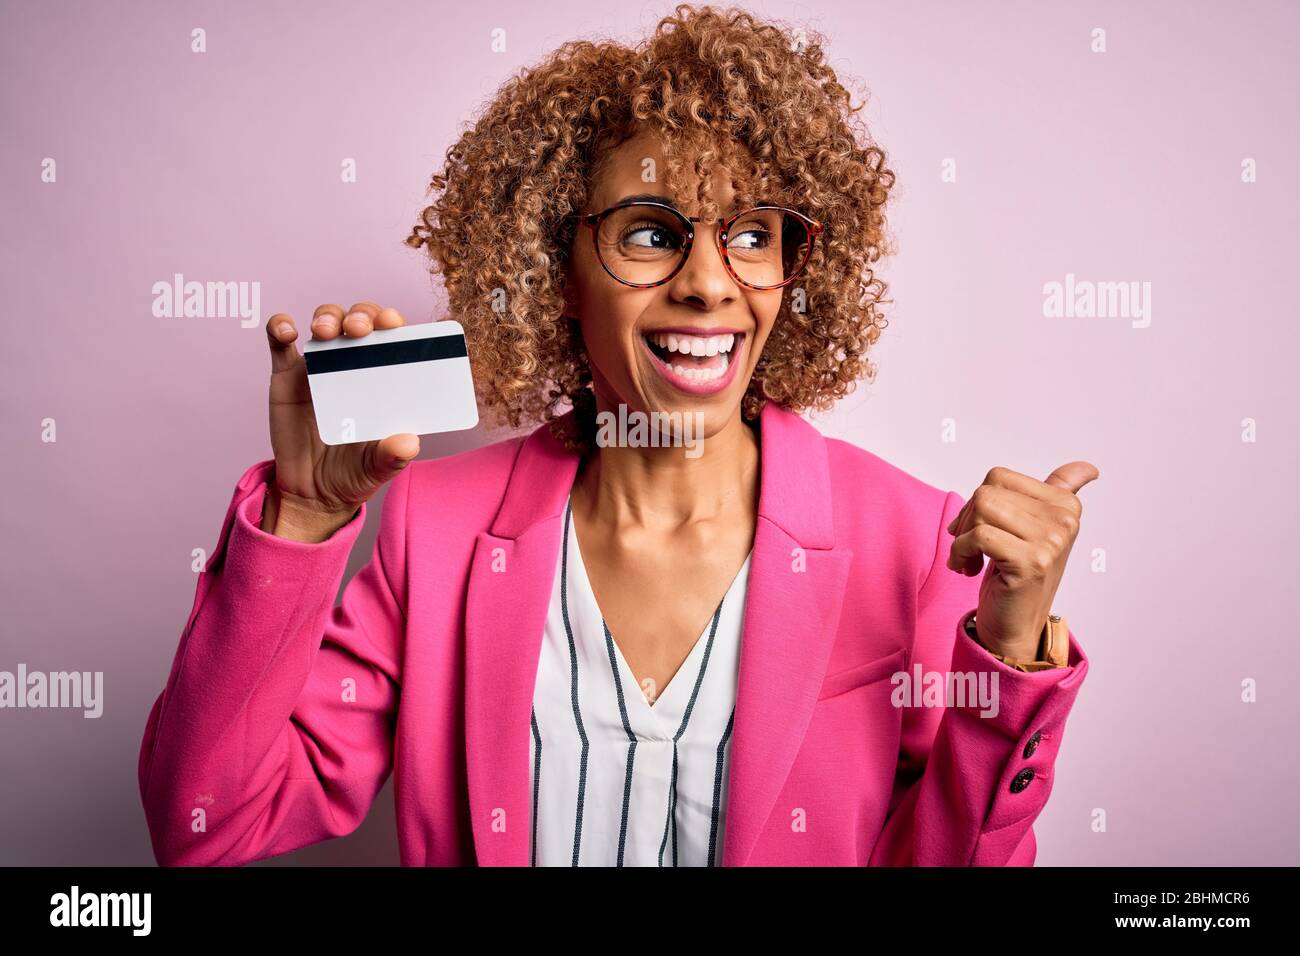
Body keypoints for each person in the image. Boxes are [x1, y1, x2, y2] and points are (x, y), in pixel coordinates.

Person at [139, 3, 1097, 867]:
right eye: (650, 232)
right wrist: (303, 517)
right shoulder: (431, 532)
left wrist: (1007, 663)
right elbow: (209, 823)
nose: (711, 283)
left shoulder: (917, 540)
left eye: (754, 234)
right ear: (555, 266)